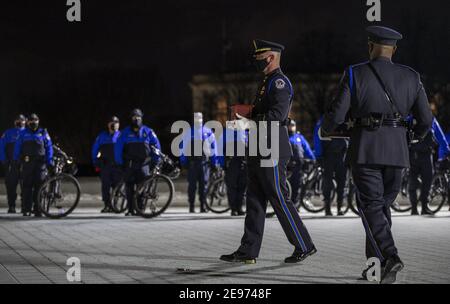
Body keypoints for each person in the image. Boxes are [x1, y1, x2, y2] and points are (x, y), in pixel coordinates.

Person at [320, 26, 433, 283]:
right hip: (397, 154)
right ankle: (378, 269)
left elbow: (336, 114)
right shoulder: (412, 77)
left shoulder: (354, 73)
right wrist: (413, 137)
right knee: (380, 209)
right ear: (394, 49)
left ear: (370, 46)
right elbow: (426, 119)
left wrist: (327, 129)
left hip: (366, 149)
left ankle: (390, 256)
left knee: (371, 207)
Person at [220, 39, 316, 264]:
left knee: (279, 198)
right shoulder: (267, 82)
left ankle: (304, 245)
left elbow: (277, 116)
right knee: (254, 200)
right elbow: (264, 114)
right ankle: (248, 251)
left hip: (272, 148)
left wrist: (249, 115)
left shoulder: (280, 82)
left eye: (259, 58)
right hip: (259, 147)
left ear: (271, 57)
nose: (255, 61)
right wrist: (247, 114)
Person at [115, 109, 161, 216]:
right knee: (129, 187)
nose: (136, 119)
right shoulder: (125, 133)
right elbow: (118, 148)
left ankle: (140, 209)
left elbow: (156, 146)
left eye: (138, 117)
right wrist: (119, 163)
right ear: (130, 119)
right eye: (134, 117)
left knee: (142, 187)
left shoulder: (148, 131)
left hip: (144, 164)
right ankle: (130, 209)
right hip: (130, 165)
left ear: (141, 118)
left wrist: (156, 160)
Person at [14, 114, 54, 217]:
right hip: (27, 163)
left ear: (38, 121)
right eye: (31, 121)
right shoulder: (23, 133)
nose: (33, 122)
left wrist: (49, 161)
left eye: (35, 120)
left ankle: (38, 209)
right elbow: (17, 146)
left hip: (40, 164)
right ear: (28, 122)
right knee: (27, 186)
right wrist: (17, 159)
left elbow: (49, 147)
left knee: (39, 186)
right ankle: (26, 209)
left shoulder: (43, 133)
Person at [409, 117, 450, 215]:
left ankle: (417, 208)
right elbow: (440, 136)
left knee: (417, 181)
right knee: (424, 181)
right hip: (423, 155)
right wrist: (447, 151)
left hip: (416, 155)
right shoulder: (430, 119)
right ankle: (420, 208)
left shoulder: (411, 118)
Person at [179, 112, 219, 213]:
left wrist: (215, 162)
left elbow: (214, 148)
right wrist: (183, 161)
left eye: (199, 118)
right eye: (196, 118)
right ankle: (192, 206)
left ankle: (203, 206)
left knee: (204, 186)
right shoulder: (188, 132)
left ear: (202, 118)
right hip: (192, 163)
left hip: (204, 163)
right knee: (192, 186)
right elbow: (182, 147)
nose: (198, 120)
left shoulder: (208, 132)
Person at [314, 117, 348, 216]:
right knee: (327, 183)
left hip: (342, 155)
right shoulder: (323, 119)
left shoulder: (346, 117)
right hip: (328, 155)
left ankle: (339, 207)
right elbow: (317, 137)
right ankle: (327, 208)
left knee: (342, 183)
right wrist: (319, 155)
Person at [92, 116, 122, 213]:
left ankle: (115, 204)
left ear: (118, 124)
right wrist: (95, 161)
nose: (113, 124)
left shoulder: (121, 136)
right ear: (108, 124)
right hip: (105, 165)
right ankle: (107, 205)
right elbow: (95, 149)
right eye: (111, 122)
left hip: (118, 166)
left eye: (116, 122)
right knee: (106, 186)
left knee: (117, 186)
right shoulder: (102, 136)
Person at [0, 115, 26, 213]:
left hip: (25, 164)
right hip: (11, 163)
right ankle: (12, 206)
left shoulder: (28, 133)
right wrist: (3, 160)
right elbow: (1, 146)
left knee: (26, 186)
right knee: (11, 185)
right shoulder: (8, 132)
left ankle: (25, 206)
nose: (20, 122)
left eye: (22, 120)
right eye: (18, 120)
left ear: (25, 121)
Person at [287, 119, 315, 208]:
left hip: (299, 164)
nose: (291, 127)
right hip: (289, 165)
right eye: (290, 125)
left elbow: (306, 148)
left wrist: (313, 158)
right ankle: (291, 203)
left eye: (293, 125)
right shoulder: (284, 137)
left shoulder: (299, 137)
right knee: (291, 184)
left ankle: (296, 204)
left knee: (299, 183)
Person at [221, 125, 248, 216]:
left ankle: (239, 208)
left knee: (241, 186)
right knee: (233, 187)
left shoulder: (244, 131)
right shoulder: (227, 132)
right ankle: (234, 208)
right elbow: (220, 148)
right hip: (232, 162)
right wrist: (222, 164)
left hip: (242, 162)